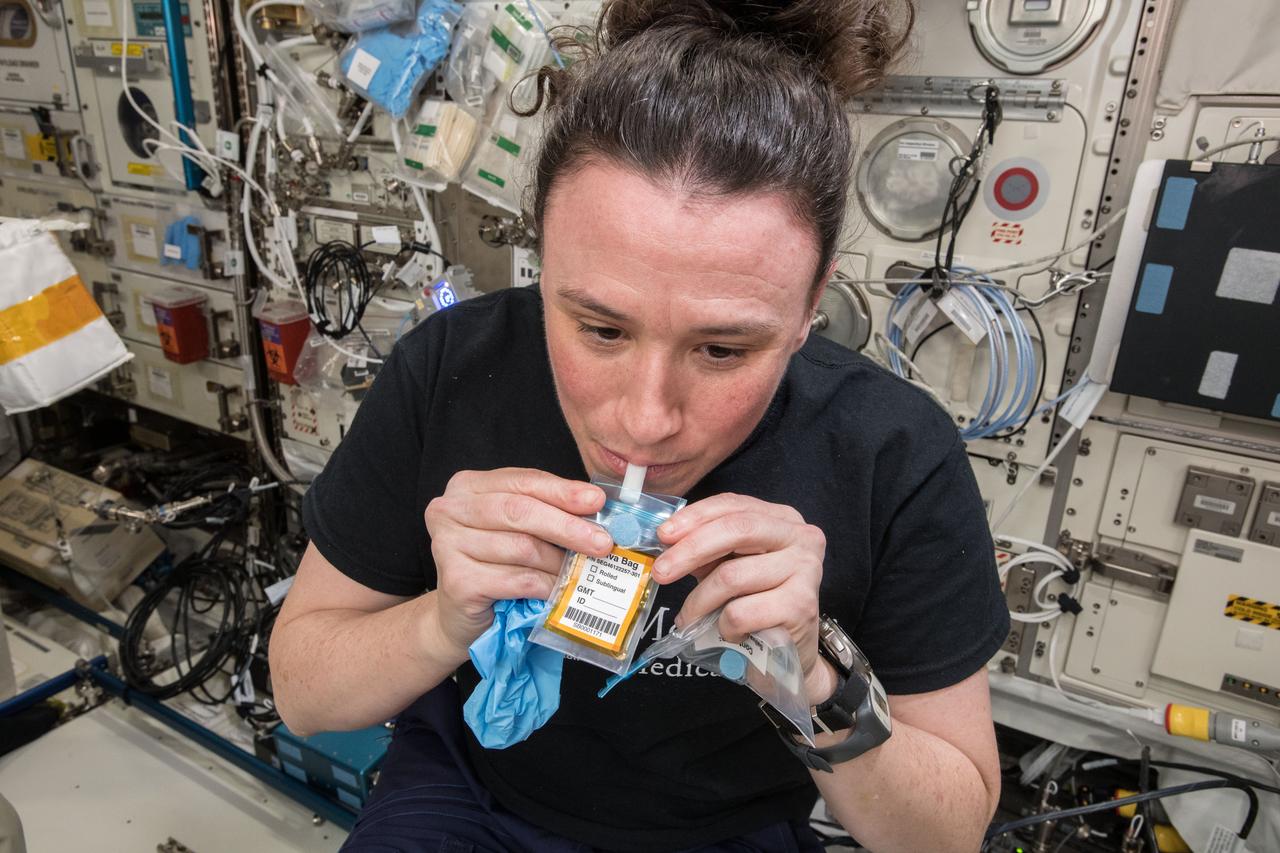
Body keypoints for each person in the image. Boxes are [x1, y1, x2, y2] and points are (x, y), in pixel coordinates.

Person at [270, 1, 1010, 850]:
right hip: (470, 794)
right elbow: (302, 690)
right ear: (542, 258)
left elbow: (947, 834)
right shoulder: (450, 371)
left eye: (724, 348)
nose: (645, 421)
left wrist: (809, 675)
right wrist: (443, 619)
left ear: (812, 308)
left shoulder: (893, 452)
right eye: (601, 329)